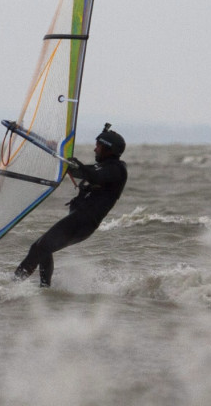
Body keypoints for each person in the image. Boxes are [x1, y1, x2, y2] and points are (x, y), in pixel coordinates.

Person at [14, 123, 128, 287]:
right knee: (41, 248)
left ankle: (16, 286)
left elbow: (92, 175)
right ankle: (43, 288)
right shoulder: (104, 166)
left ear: (109, 150)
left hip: (84, 221)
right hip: (79, 220)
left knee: (41, 248)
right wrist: (58, 151)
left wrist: (70, 161)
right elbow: (77, 171)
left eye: (99, 146)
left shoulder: (117, 169)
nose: (95, 150)